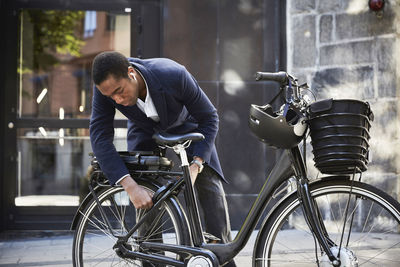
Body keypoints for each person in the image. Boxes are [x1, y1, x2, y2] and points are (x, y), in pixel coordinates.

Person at [90, 51, 236, 267]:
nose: (117, 100)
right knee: (146, 200)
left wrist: (196, 165)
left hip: (188, 125)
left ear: (131, 73)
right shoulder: (105, 89)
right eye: (112, 97)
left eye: (119, 92)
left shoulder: (173, 74)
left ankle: (222, 259)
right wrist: (131, 187)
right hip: (143, 131)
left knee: (210, 187)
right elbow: (100, 137)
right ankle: (152, 261)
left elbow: (209, 117)